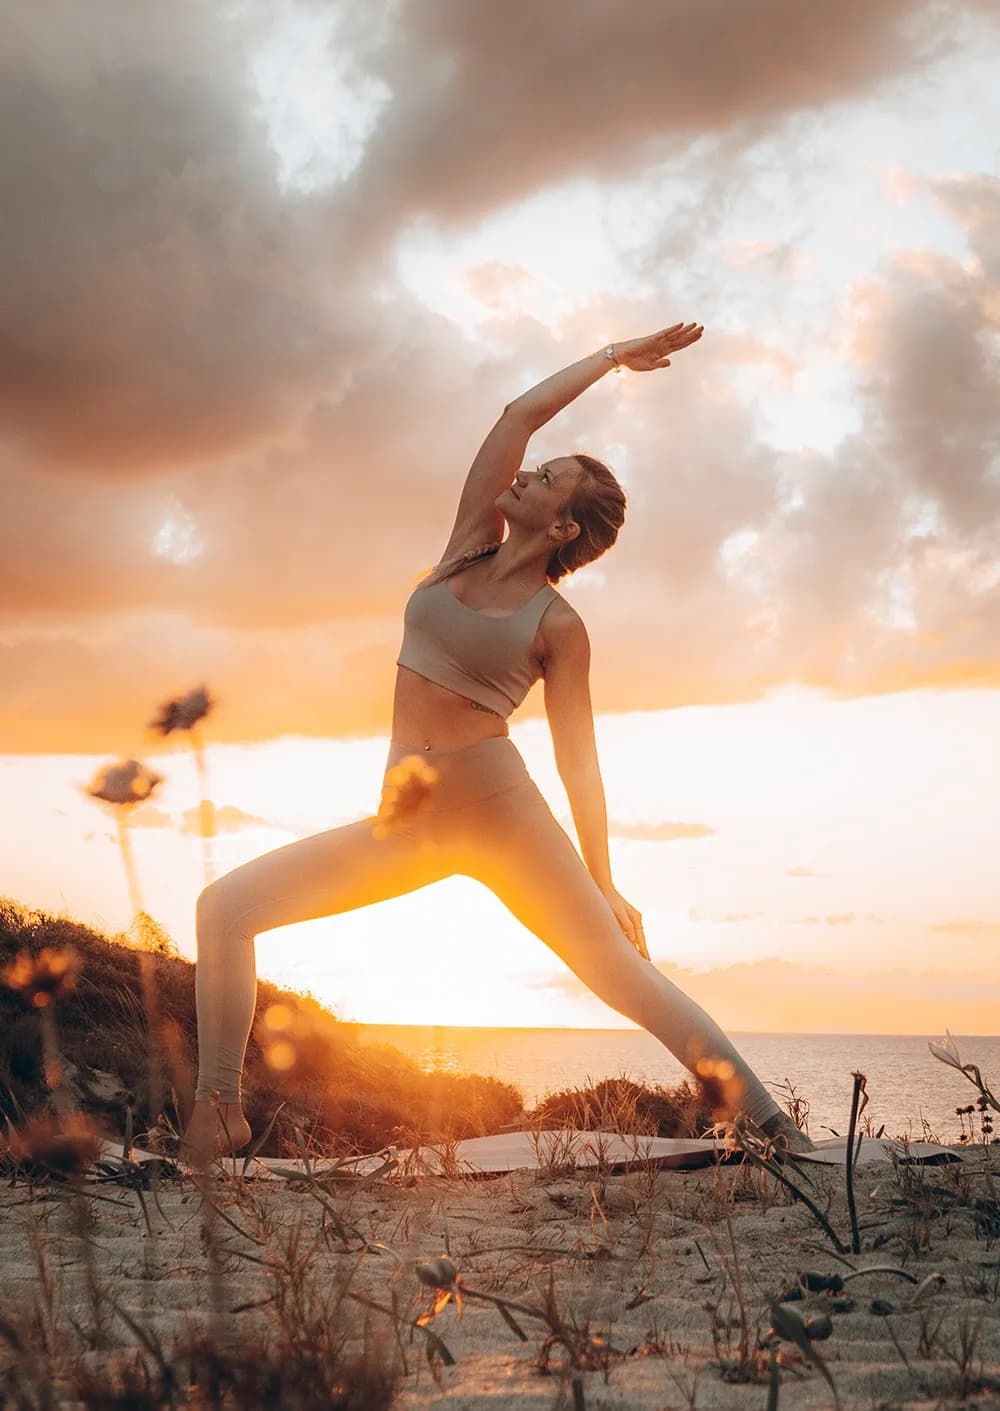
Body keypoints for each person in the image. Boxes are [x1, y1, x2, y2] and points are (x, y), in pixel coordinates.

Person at [181, 324, 815, 1166]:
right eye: (540, 468)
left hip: (501, 811)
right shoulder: (463, 548)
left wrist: (604, 874)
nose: (528, 472)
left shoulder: (557, 624)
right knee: (225, 909)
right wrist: (611, 358)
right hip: (406, 820)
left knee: (623, 977)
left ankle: (772, 1124)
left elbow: (577, 757)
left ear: (562, 530)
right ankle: (217, 1108)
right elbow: (517, 415)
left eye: (548, 479)